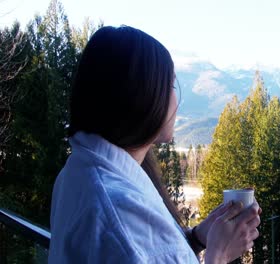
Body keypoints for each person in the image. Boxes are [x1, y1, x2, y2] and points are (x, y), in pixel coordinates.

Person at [48, 25, 261, 264]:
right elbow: (131, 246)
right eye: (171, 86)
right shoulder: (122, 212)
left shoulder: (79, 172)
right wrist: (219, 254)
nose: (176, 101)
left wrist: (198, 237)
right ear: (143, 98)